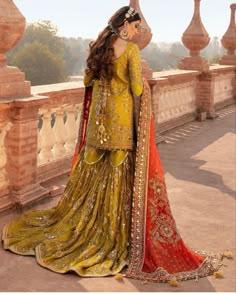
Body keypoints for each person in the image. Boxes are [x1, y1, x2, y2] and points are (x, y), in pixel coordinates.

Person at [2, 6, 224, 283]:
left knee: (94, 170)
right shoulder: (130, 50)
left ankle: (86, 221)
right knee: (118, 170)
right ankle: (110, 232)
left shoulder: (98, 47)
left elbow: (87, 80)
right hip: (119, 119)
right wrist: (141, 82)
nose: (137, 31)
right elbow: (137, 88)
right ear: (125, 25)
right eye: (135, 26)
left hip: (98, 119)